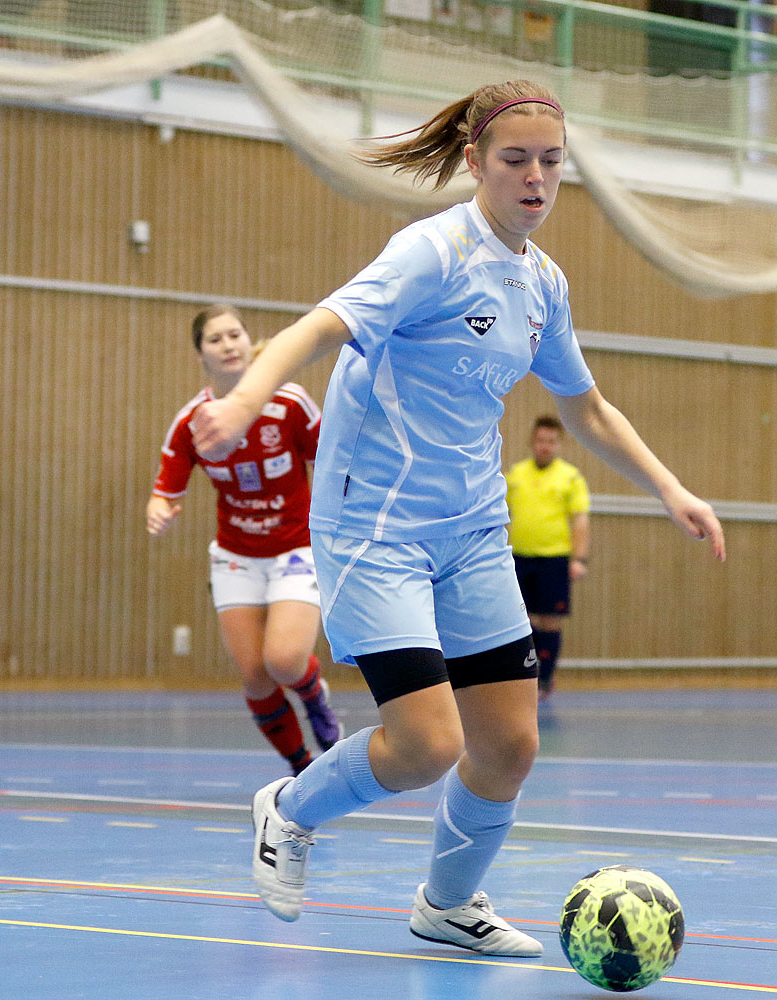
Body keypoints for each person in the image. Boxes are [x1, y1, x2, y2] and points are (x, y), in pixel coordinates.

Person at [191, 80, 726, 957]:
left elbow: (586, 408)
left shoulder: (542, 283)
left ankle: (448, 904)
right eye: (516, 160)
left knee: (510, 744)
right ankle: (288, 810)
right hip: (376, 528)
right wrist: (249, 396)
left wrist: (672, 489)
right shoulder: (431, 253)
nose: (536, 178)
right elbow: (318, 327)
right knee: (427, 742)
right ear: (475, 162)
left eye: (552, 162)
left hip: (473, 528)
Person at [147, 305, 343, 776]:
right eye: (215, 339)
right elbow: (164, 490)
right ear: (201, 356)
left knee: (285, 661)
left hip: (295, 547)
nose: (229, 344)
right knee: (255, 677)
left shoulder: (289, 402)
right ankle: (302, 769)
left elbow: (334, 459)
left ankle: (316, 698)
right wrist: (158, 512)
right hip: (236, 557)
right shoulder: (193, 422)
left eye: (235, 334)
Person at [506, 414, 590, 700]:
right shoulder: (515, 475)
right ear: (533, 442)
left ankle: (546, 678)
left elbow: (580, 521)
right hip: (518, 559)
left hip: (554, 560)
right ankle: (524, 678)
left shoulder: (571, 477)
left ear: (559, 445)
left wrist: (578, 559)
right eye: (541, 440)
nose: (545, 446)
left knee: (550, 621)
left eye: (551, 442)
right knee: (521, 621)